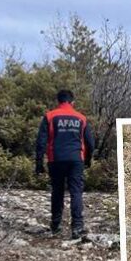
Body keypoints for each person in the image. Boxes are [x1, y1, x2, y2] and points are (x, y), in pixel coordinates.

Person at [35, 90, 95, 239]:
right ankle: (77, 227)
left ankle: (55, 225)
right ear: (72, 102)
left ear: (58, 101)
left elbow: (41, 142)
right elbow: (90, 143)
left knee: (57, 191)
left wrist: (38, 163)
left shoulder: (49, 116)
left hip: (55, 159)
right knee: (76, 192)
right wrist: (87, 160)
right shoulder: (81, 118)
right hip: (76, 160)